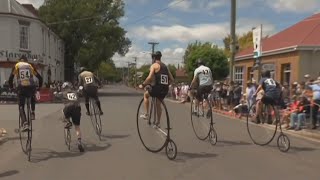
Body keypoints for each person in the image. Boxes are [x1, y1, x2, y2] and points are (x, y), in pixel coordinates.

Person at [138, 51, 174, 127]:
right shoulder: (165, 66)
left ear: (153, 58)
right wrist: (166, 85)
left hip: (157, 88)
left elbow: (150, 77)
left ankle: (146, 114)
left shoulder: (154, 65)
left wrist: (143, 84)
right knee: (158, 104)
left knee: (146, 95)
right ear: (160, 57)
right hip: (165, 89)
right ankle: (158, 122)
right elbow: (172, 79)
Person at [8, 55, 43, 131]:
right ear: (26, 61)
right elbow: (40, 78)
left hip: (21, 87)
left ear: (19, 60)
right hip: (31, 87)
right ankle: (33, 112)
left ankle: (25, 123)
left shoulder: (17, 65)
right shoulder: (30, 66)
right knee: (32, 94)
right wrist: (39, 87)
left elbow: (10, 78)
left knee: (21, 106)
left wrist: (11, 87)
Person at [61, 82, 84, 152]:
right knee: (77, 127)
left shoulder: (63, 93)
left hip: (68, 108)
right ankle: (79, 142)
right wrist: (80, 90)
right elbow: (81, 94)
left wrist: (55, 93)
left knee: (63, 111)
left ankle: (68, 121)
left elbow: (56, 95)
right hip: (77, 108)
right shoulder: (75, 92)